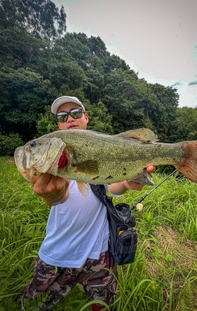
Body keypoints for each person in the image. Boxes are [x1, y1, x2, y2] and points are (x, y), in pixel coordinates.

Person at [22, 96, 155, 311]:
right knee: (36, 304)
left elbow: (113, 187)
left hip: (99, 250)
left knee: (101, 303)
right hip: (58, 251)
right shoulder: (50, 165)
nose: (70, 119)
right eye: (62, 116)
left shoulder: (101, 151)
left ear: (86, 117)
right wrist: (51, 197)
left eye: (75, 113)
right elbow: (56, 196)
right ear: (58, 125)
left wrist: (129, 183)